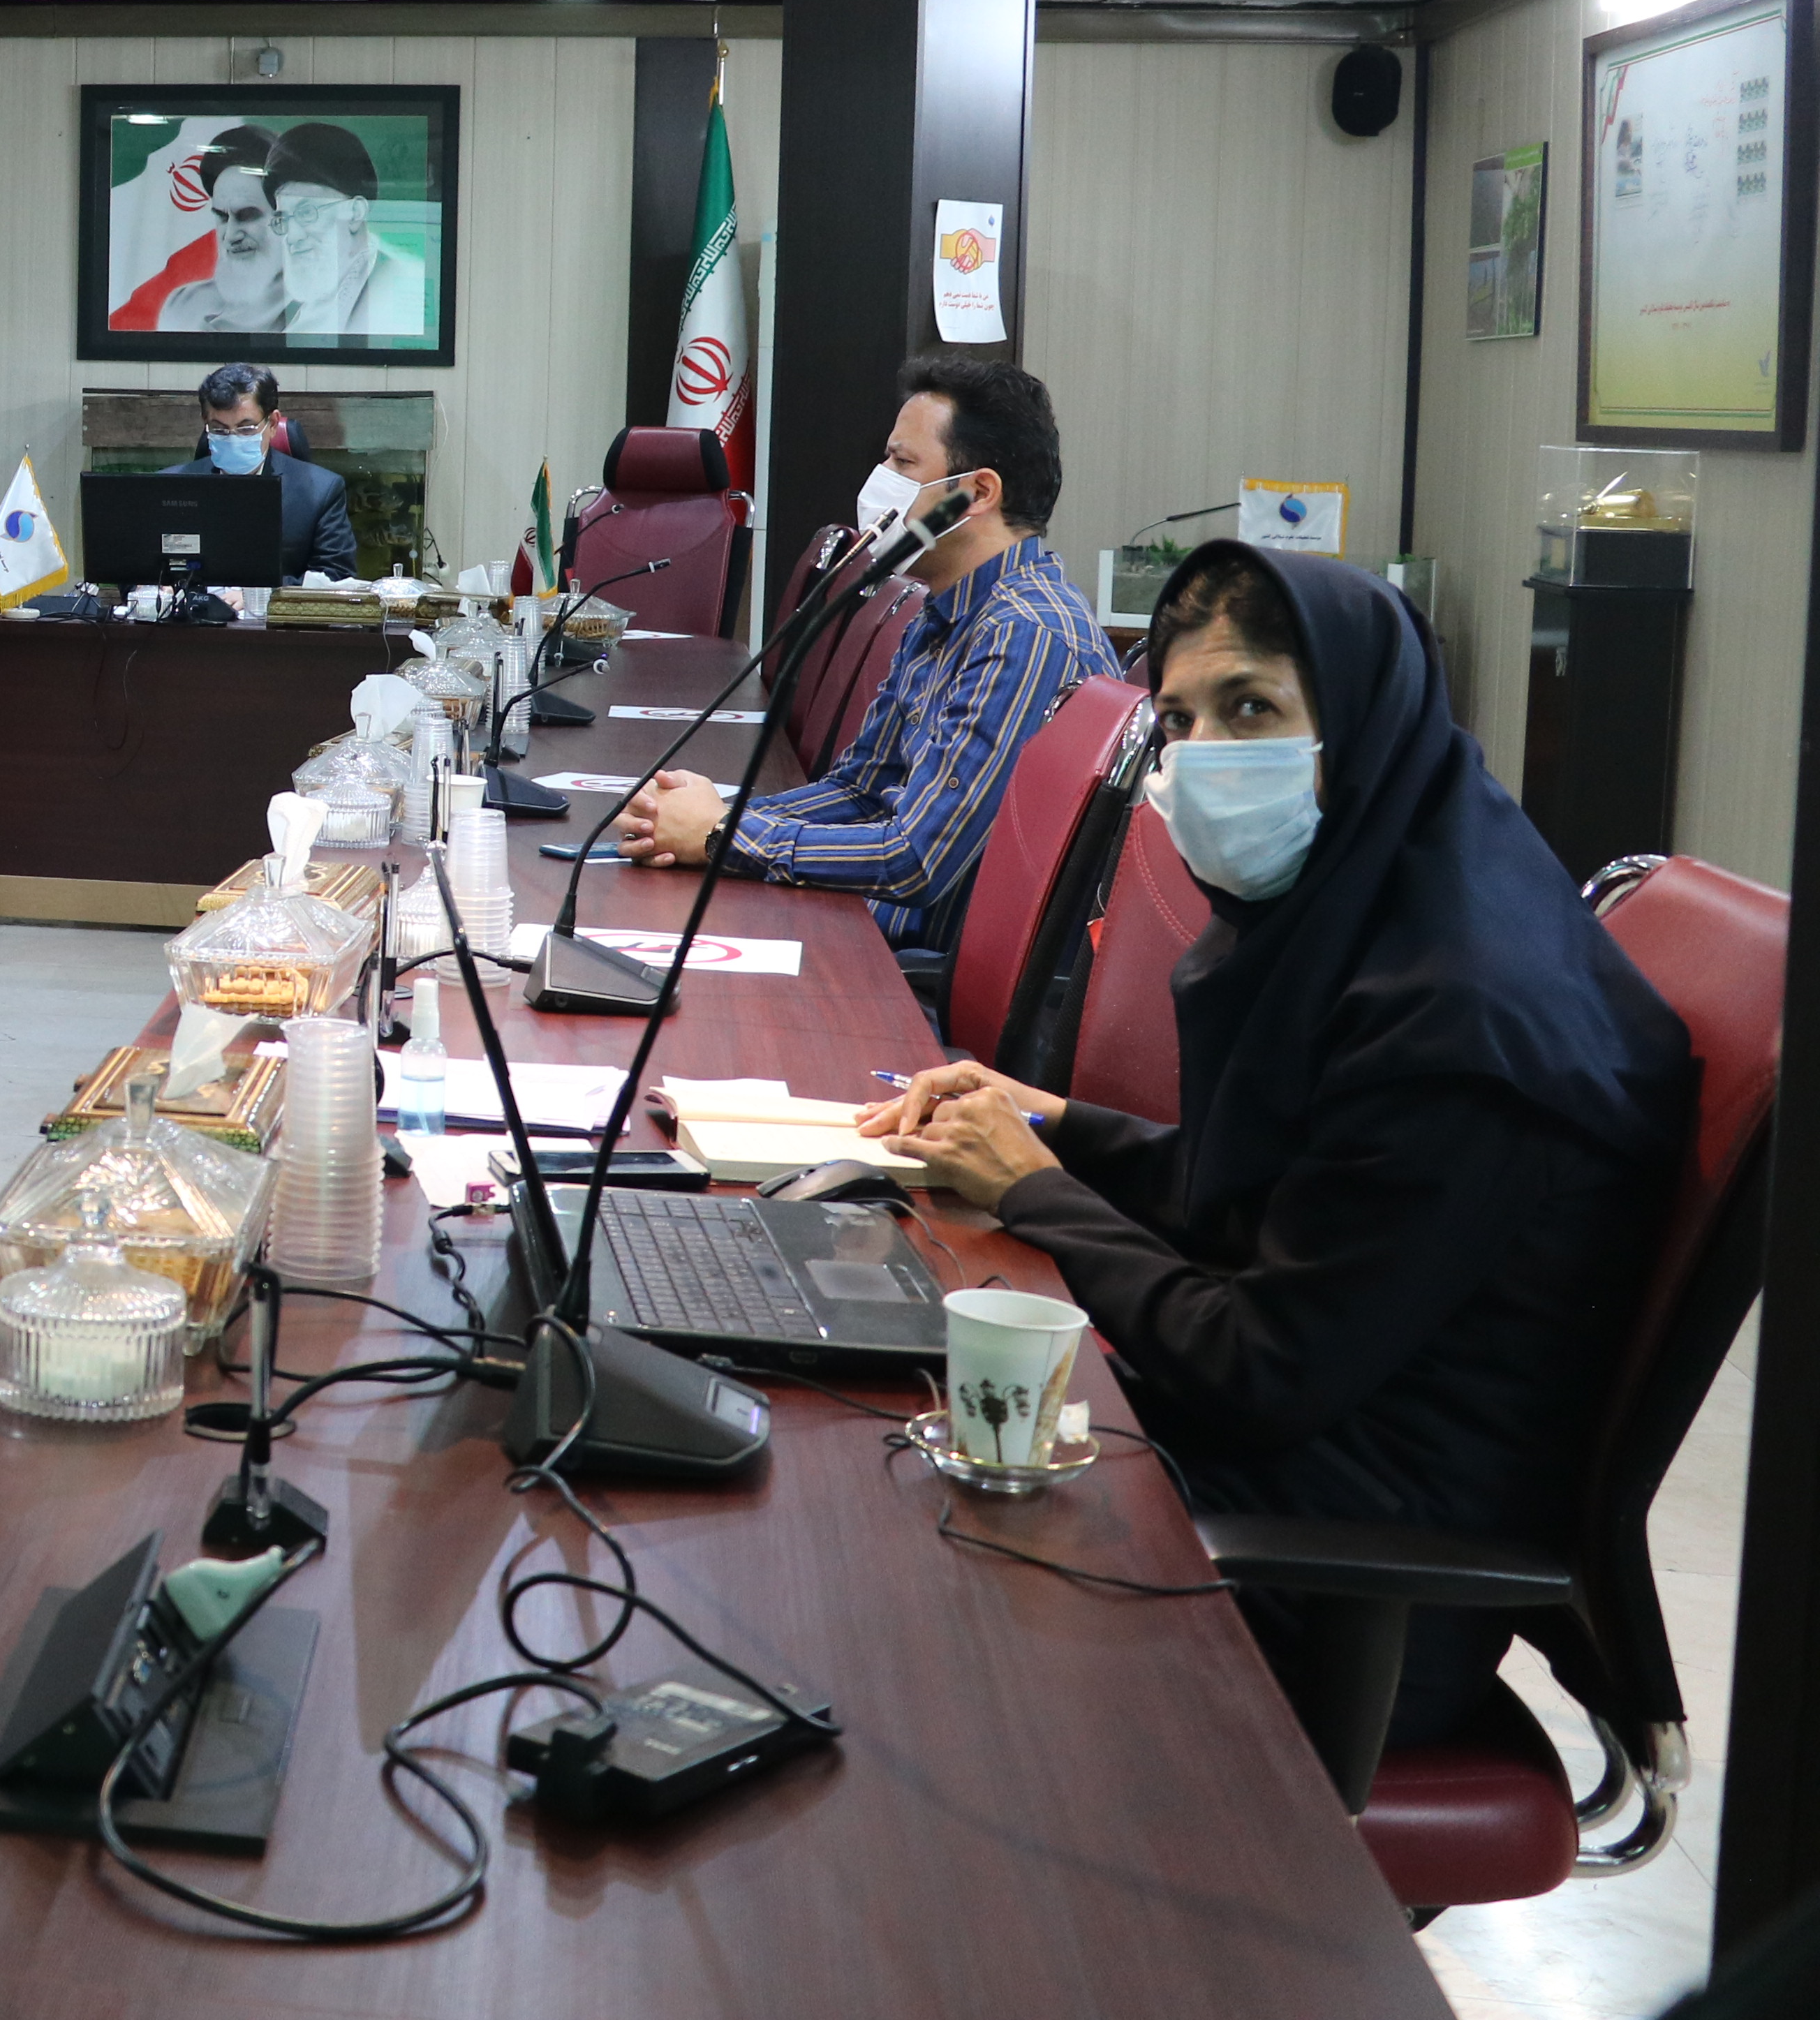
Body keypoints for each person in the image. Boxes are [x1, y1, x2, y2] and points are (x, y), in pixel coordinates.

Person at [859, 543, 1689, 1749]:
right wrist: (1052, 1123)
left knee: (857, 1550)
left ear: (1361, 720)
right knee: (878, 1400)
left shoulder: (1463, 1023)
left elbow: (1261, 1364)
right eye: (1180, 719)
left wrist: (1033, 1188)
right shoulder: (1388, 903)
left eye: (1251, 708)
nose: (1205, 755)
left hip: (1343, 1587)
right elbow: (1278, 1195)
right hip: (1284, 1473)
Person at [615, 355, 1114, 949]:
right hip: (867, 930)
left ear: (977, 493)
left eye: (903, 462)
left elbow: (916, 859)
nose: (880, 480)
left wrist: (722, 835)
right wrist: (703, 820)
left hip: (914, 977)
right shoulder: (946, 610)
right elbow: (860, 789)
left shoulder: (1025, 634)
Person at [174, 361, 358, 581]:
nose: (233, 439)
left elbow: (336, 575)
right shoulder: (171, 486)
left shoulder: (320, 491)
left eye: (246, 428)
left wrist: (259, 594)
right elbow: (143, 569)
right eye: (219, 430)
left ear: (272, 424)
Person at [263, 122, 436, 337]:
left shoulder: (403, 285)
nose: (293, 236)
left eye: (306, 213)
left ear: (355, 213)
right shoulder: (301, 318)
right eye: (283, 219)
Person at [151, 128, 291, 332]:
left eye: (247, 216)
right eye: (223, 217)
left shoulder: (318, 309)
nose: (231, 236)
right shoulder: (184, 306)